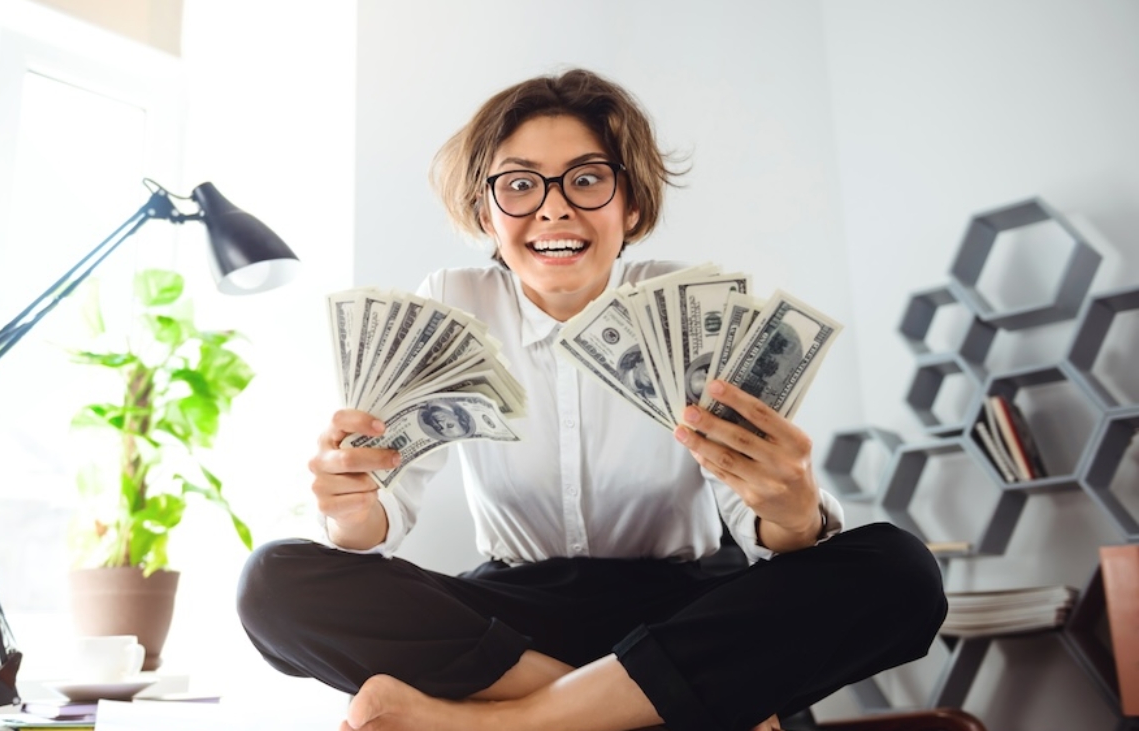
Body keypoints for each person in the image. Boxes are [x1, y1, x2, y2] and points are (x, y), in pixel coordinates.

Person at [237, 68, 946, 731]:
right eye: (519, 185)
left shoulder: (691, 305)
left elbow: (757, 525)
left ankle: (494, 723)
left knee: (901, 572)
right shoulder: (453, 302)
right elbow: (383, 518)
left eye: (586, 180)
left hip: (684, 606)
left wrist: (792, 515)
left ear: (630, 203)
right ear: (486, 210)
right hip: (514, 620)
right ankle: (653, 708)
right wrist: (355, 511)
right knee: (273, 580)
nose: (553, 208)